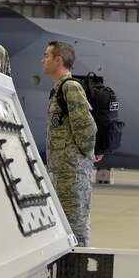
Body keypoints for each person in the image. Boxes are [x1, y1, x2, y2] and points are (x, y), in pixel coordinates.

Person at [42, 41, 97, 247]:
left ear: (58, 60)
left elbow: (86, 125)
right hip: (61, 172)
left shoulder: (70, 87)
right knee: (64, 228)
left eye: (46, 55)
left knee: (76, 229)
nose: (42, 60)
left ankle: (77, 272)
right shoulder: (57, 89)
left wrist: (85, 156)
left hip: (72, 174)